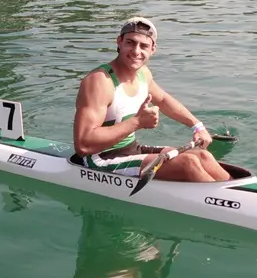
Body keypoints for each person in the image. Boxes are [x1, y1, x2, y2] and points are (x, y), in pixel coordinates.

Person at [73, 16, 231, 182]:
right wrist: (137, 122)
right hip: (99, 159)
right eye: (130, 42)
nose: (136, 51)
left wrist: (197, 127)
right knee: (187, 163)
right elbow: (84, 145)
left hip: (131, 149)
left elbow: (162, 100)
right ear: (119, 42)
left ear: (153, 49)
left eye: (144, 46)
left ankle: (238, 195)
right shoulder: (99, 81)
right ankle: (229, 204)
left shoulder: (143, 73)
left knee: (202, 156)